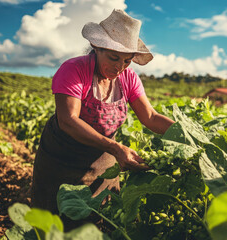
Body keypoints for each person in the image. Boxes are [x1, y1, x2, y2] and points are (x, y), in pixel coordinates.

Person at [30, 9, 174, 221]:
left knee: (102, 219)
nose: (119, 67)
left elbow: (151, 117)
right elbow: (68, 121)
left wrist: (186, 135)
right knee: (57, 221)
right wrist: (116, 148)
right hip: (62, 159)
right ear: (97, 47)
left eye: (127, 61)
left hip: (103, 160)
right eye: (114, 57)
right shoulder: (73, 70)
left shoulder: (128, 78)